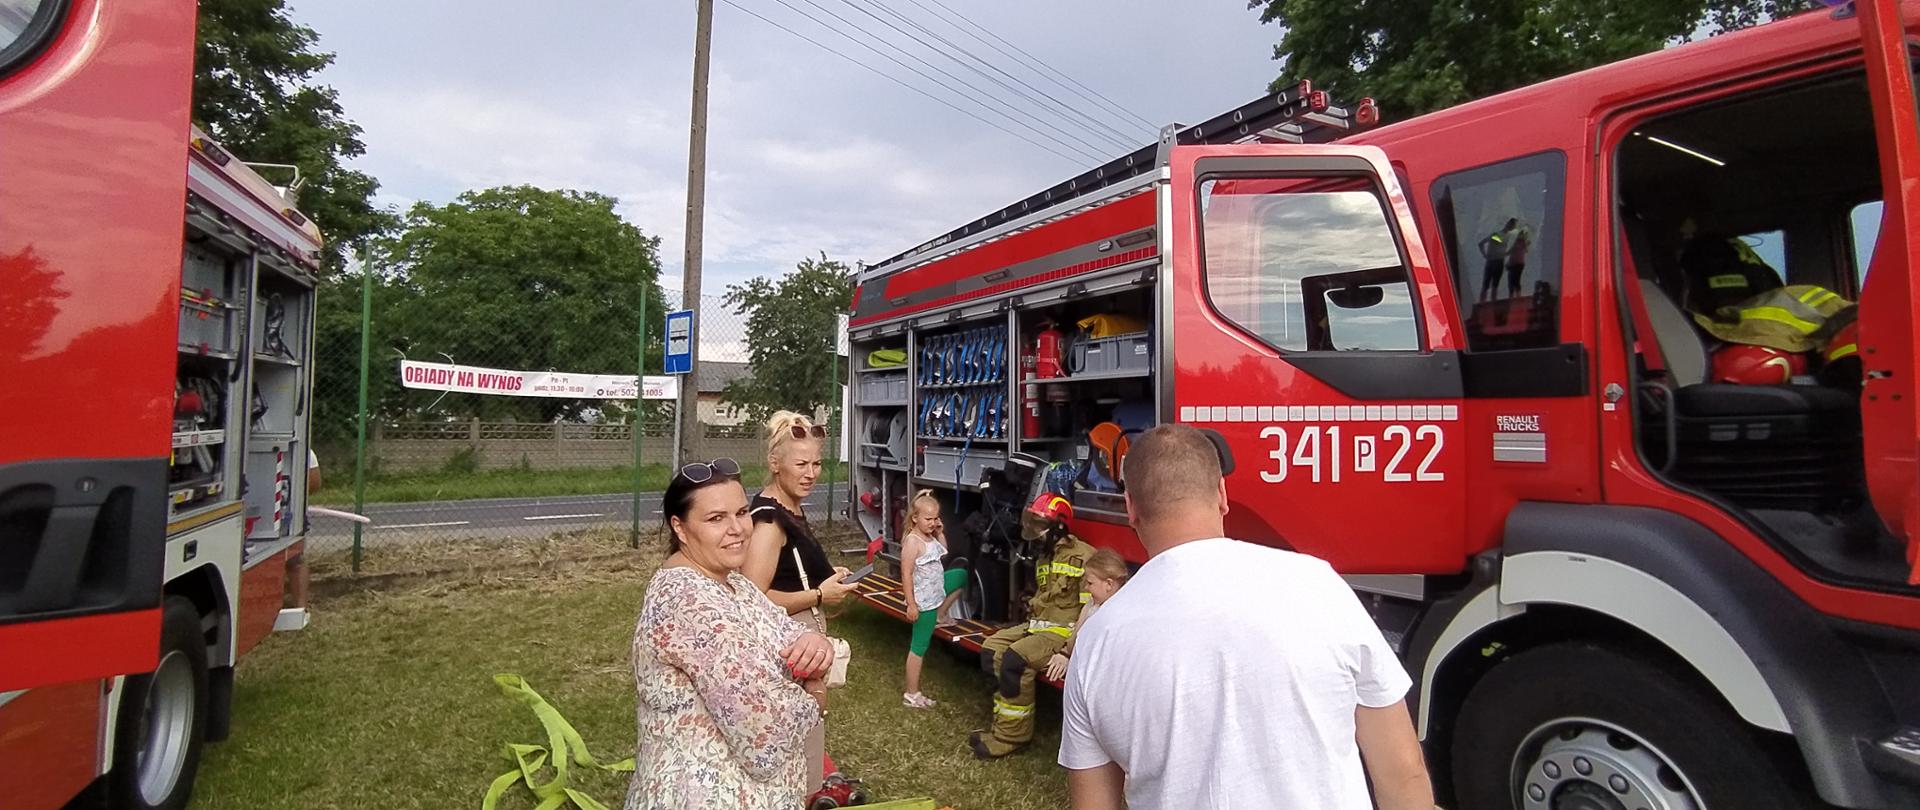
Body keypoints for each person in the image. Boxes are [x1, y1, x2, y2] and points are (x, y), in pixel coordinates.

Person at [1058, 424, 1434, 810]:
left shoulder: (1097, 639)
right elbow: (1403, 772)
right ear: (1222, 494)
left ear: (1131, 508)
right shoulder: (1318, 584)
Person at [629, 457, 835, 810]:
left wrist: (816, 642)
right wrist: (815, 692)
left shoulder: (733, 583)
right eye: (716, 518)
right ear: (679, 528)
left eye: (741, 513)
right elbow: (764, 735)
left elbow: (787, 629)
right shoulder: (688, 602)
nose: (737, 528)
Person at [742, 410, 853, 786]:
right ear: (775, 464)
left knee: (805, 735)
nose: (811, 473)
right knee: (796, 748)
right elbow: (752, 596)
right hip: (790, 645)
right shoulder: (770, 520)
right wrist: (820, 593)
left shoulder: (791, 507)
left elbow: (789, 570)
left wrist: (826, 575)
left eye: (817, 463)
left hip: (803, 643)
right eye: (801, 464)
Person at [969, 492, 1093, 759]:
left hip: (1063, 633)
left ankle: (1011, 738)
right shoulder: (1045, 557)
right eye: (1033, 522)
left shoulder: (1083, 556)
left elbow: (1091, 612)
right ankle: (1003, 724)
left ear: (1058, 526)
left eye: (1040, 524)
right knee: (991, 649)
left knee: (1015, 660)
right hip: (1038, 626)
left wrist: (1068, 651)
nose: (1034, 531)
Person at [900, 489, 967, 709]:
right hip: (925, 600)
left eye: (936, 518)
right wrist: (911, 604)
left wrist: (940, 532)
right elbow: (906, 574)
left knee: (961, 575)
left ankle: (942, 614)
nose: (932, 523)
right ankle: (912, 694)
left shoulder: (930, 536)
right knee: (919, 646)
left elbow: (943, 551)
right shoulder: (913, 542)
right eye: (928, 519)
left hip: (937, 590)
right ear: (915, 518)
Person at [1041, 548, 1128, 683]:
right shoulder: (1093, 604)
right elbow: (1074, 639)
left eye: (1090, 583)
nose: (1086, 588)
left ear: (1109, 584)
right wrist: (1064, 654)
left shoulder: (1120, 615)